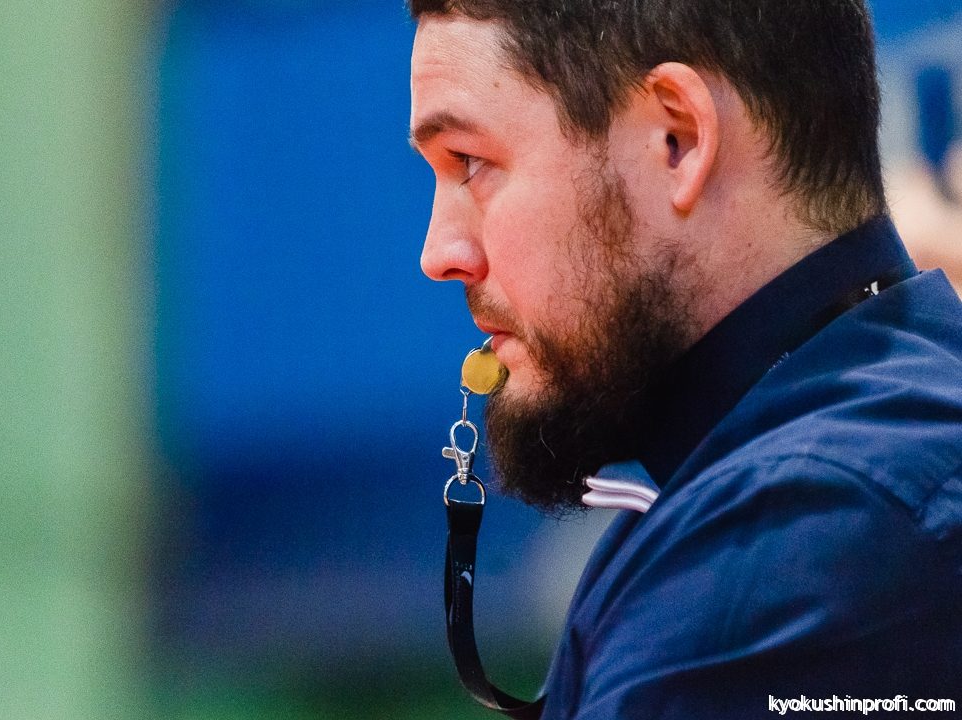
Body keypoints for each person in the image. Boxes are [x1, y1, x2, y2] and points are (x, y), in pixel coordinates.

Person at [407, 1, 962, 718]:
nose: (439, 254)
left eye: (471, 162)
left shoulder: (791, 546)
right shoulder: (843, 458)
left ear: (679, 138)